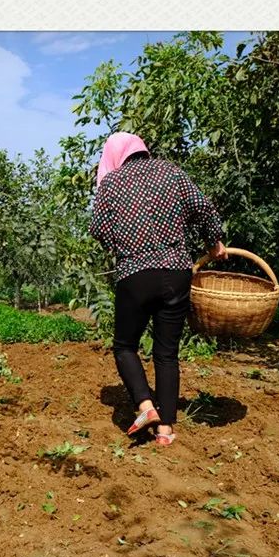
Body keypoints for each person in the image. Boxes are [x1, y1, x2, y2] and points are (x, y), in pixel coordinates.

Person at [91, 131, 227, 446]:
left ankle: (145, 405)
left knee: (125, 346)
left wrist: (120, 245)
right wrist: (215, 241)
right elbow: (203, 208)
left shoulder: (112, 184)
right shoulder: (172, 172)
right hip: (176, 272)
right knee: (167, 353)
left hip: (136, 274)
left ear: (115, 156)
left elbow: (97, 227)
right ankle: (166, 430)